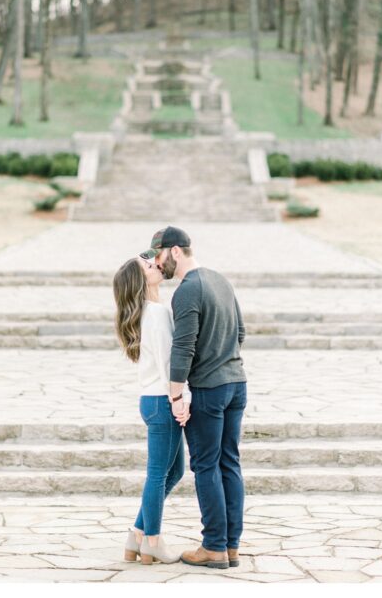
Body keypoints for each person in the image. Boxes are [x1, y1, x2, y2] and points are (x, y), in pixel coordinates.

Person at [144, 226, 247, 569]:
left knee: (205, 465)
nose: (158, 263)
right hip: (236, 383)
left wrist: (176, 396)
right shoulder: (220, 280)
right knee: (228, 462)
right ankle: (231, 546)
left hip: (209, 390)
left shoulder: (187, 290)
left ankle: (214, 546)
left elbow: (183, 347)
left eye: (158, 255)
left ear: (173, 251)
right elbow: (241, 332)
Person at [113, 254, 190, 565]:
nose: (155, 264)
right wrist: (178, 399)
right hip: (162, 400)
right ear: (140, 280)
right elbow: (166, 360)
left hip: (152, 399)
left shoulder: (149, 311)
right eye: (148, 265)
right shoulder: (155, 313)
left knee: (174, 471)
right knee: (159, 474)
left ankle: (137, 535)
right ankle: (153, 541)